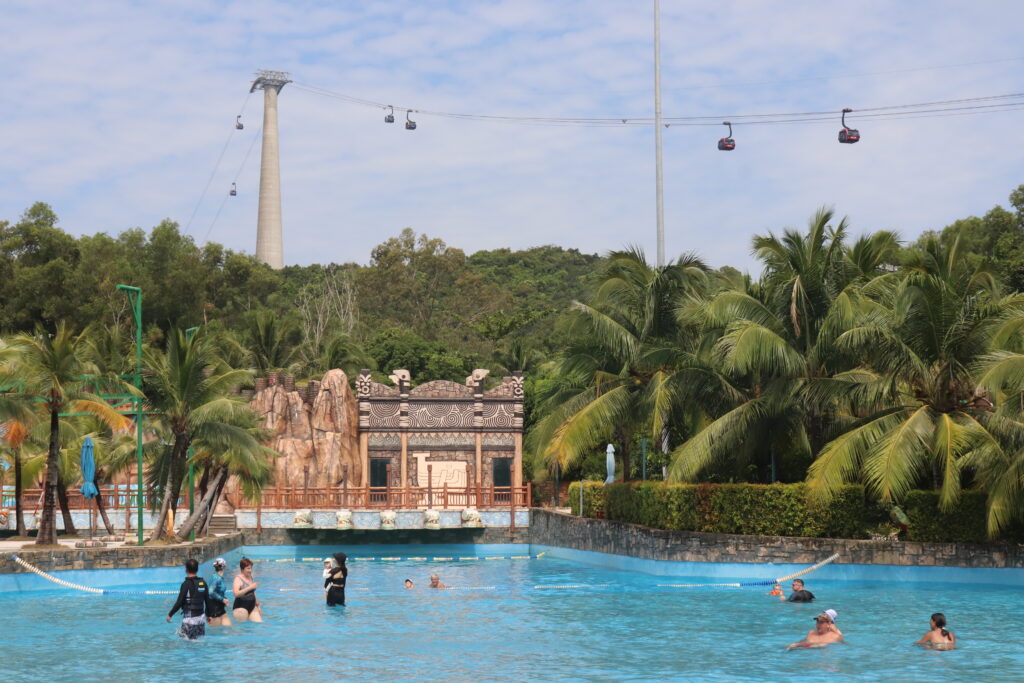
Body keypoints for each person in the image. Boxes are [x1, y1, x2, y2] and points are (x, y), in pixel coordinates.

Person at [166, 558, 209, 641]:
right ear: (197, 569)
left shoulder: (186, 584)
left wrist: (170, 614)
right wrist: (209, 616)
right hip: (200, 621)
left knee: (185, 642)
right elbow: (208, 601)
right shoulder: (203, 583)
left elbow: (179, 602)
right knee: (198, 641)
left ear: (186, 570)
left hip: (189, 621)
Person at [232, 557, 263, 623]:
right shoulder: (238, 579)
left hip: (252, 606)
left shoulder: (250, 577)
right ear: (242, 569)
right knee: (243, 627)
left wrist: (258, 606)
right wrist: (250, 587)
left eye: (251, 568)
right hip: (240, 608)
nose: (250, 570)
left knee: (259, 623)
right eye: (248, 568)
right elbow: (236, 594)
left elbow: (253, 593)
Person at [207, 557, 232, 626]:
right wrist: (222, 599)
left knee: (229, 628)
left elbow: (217, 592)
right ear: (224, 567)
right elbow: (210, 592)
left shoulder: (218, 577)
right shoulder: (216, 578)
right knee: (216, 631)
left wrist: (224, 599)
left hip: (220, 607)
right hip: (214, 608)